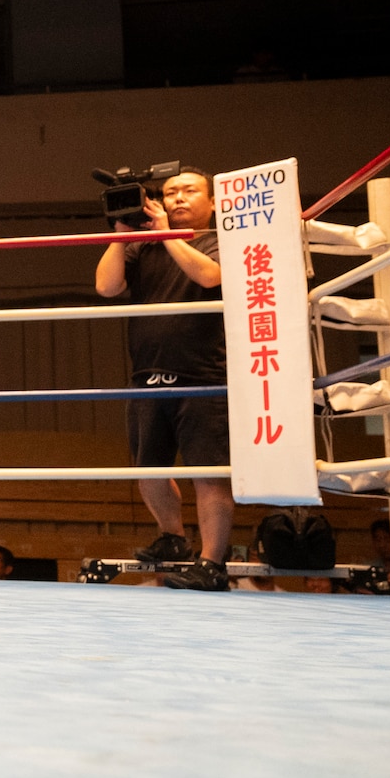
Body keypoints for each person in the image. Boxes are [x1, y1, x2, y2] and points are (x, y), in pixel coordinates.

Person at [94, 167, 232, 592]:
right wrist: (122, 233)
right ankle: (173, 538)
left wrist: (167, 233)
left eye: (190, 190)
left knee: (208, 472)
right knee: (148, 468)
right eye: (170, 192)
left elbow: (210, 277)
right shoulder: (143, 246)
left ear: (211, 202)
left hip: (203, 373)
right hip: (146, 371)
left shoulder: (220, 241)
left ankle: (212, 561)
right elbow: (106, 286)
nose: (178, 198)